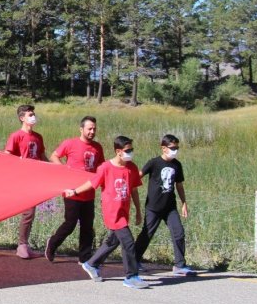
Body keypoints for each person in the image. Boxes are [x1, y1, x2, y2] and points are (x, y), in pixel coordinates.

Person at [65, 136, 147, 289]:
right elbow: (92, 182)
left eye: (132, 150)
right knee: (128, 242)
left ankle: (91, 263)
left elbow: (134, 190)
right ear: (118, 151)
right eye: (127, 150)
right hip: (112, 212)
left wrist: (138, 211)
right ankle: (131, 276)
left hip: (124, 211)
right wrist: (74, 191)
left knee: (113, 241)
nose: (130, 153)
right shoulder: (105, 168)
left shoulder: (132, 168)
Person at [45, 116, 105, 263]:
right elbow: (54, 156)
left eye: (94, 129)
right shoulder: (70, 143)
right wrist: (65, 170)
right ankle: (52, 245)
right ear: (81, 129)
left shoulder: (97, 147)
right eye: (89, 129)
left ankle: (84, 257)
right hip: (72, 192)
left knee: (87, 226)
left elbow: (101, 167)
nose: (92, 131)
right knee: (70, 224)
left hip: (89, 192)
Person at [134, 134, 194, 276]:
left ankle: (180, 265)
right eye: (173, 148)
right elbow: (138, 176)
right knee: (147, 234)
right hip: (153, 207)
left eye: (177, 148)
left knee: (178, 233)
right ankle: (134, 259)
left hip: (170, 207)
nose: (175, 150)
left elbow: (179, 185)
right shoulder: (154, 163)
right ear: (164, 148)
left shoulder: (177, 165)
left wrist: (184, 203)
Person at [5, 104, 46, 259]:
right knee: (28, 212)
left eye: (33, 114)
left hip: (36, 179)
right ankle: (22, 245)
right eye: (30, 114)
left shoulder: (38, 137)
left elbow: (43, 157)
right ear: (22, 118)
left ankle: (25, 243)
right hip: (23, 179)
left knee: (31, 213)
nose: (33, 117)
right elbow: (7, 155)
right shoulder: (16, 136)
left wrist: (59, 169)